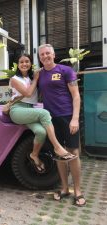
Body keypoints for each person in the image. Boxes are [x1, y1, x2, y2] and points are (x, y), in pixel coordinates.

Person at [8, 53, 77, 174]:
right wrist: (36, 78)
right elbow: (28, 93)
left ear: (31, 63)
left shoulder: (30, 78)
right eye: (21, 62)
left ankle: (34, 155)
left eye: (27, 61)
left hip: (29, 109)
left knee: (41, 132)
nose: (24, 64)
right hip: (18, 110)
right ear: (17, 65)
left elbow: (46, 78)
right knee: (44, 113)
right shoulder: (14, 79)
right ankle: (58, 147)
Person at [38, 44, 86, 207]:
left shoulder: (66, 71)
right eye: (42, 54)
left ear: (53, 54)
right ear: (40, 58)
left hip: (67, 117)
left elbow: (76, 96)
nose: (45, 56)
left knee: (73, 153)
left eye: (48, 53)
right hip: (50, 120)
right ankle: (65, 189)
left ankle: (77, 191)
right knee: (59, 154)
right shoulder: (39, 75)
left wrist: (75, 118)